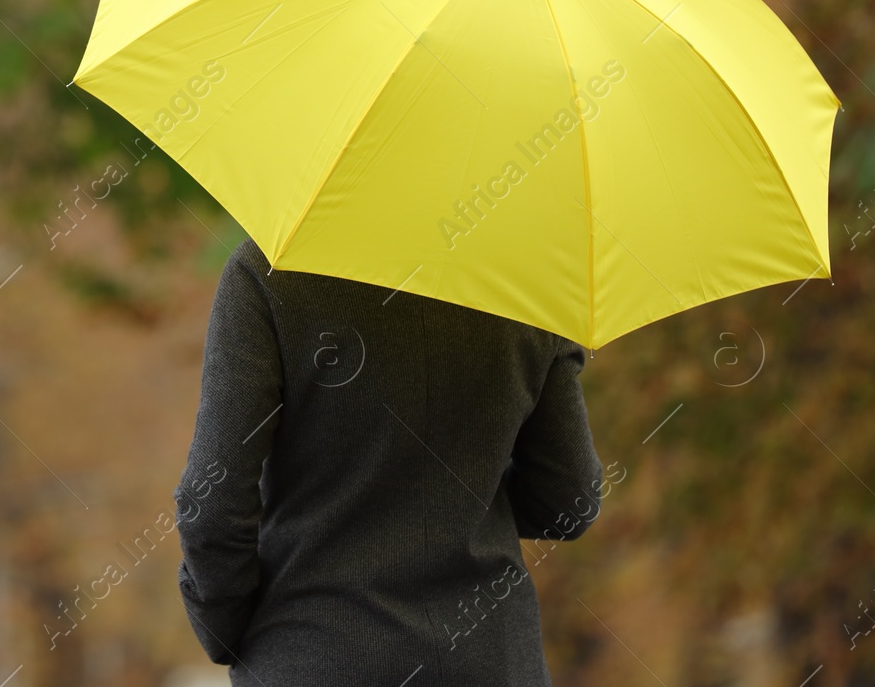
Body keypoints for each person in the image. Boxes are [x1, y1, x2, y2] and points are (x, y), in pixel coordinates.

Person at [174, 237, 608, 685]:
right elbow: (567, 500)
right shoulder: (527, 285)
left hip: (313, 656)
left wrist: (225, 629)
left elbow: (212, 501)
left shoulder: (268, 272)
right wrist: (468, 489)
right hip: (492, 660)